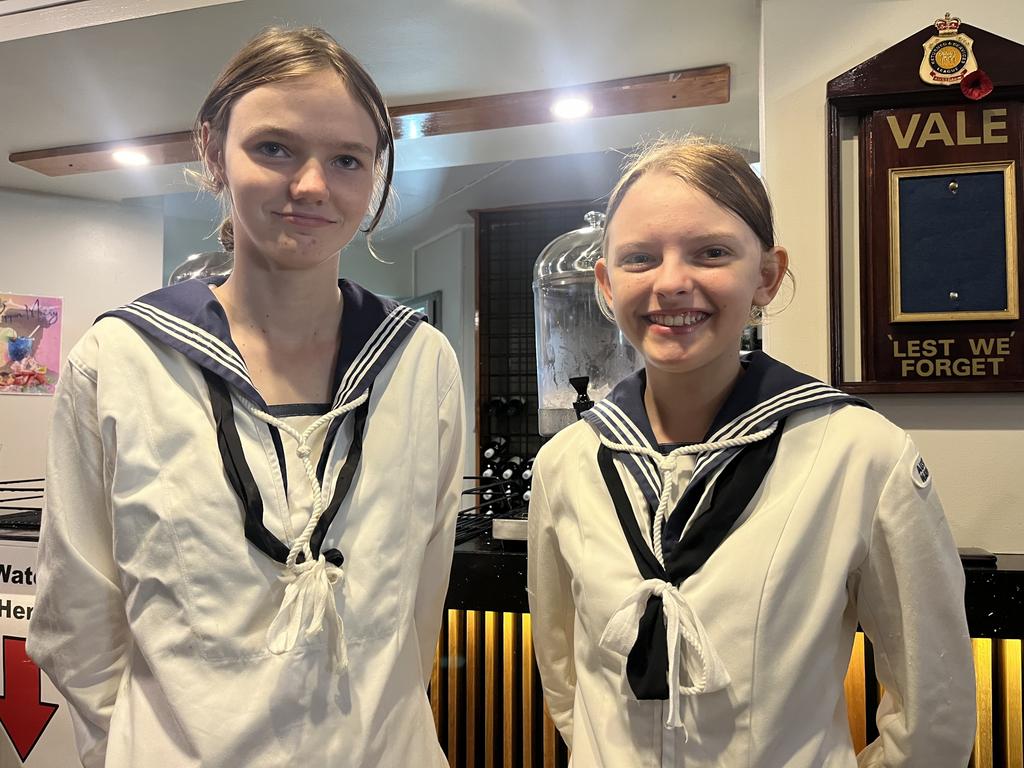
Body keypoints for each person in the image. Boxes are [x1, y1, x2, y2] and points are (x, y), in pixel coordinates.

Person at [28, 26, 464, 768]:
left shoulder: (420, 362)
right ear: (212, 150)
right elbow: (78, 618)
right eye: (275, 149)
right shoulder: (121, 360)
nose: (312, 186)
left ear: (375, 174)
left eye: (347, 159)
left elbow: (417, 612)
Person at [527, 137, 975, 767]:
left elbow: (935, 713)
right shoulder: (568, 463)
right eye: (639, 258)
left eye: (711, 253)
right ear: (605, 283)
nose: (672, 282)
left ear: (765, 275)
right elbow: (566, 677)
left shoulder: (860, 455)